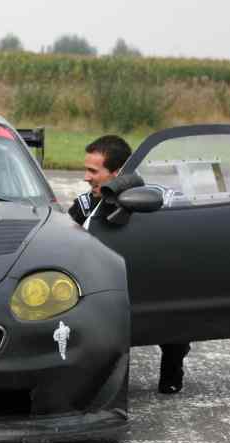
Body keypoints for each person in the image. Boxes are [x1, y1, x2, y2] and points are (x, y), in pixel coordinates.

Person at [68, 135, 191, 394]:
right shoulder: (85, 204)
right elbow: (64, 239)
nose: (86, 177)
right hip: (106, 286)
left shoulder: (164, 198)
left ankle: (173, 367)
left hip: (156, 278)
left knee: (175, 308)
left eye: (93, 171)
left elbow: (189, 229)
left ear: (118, 172)